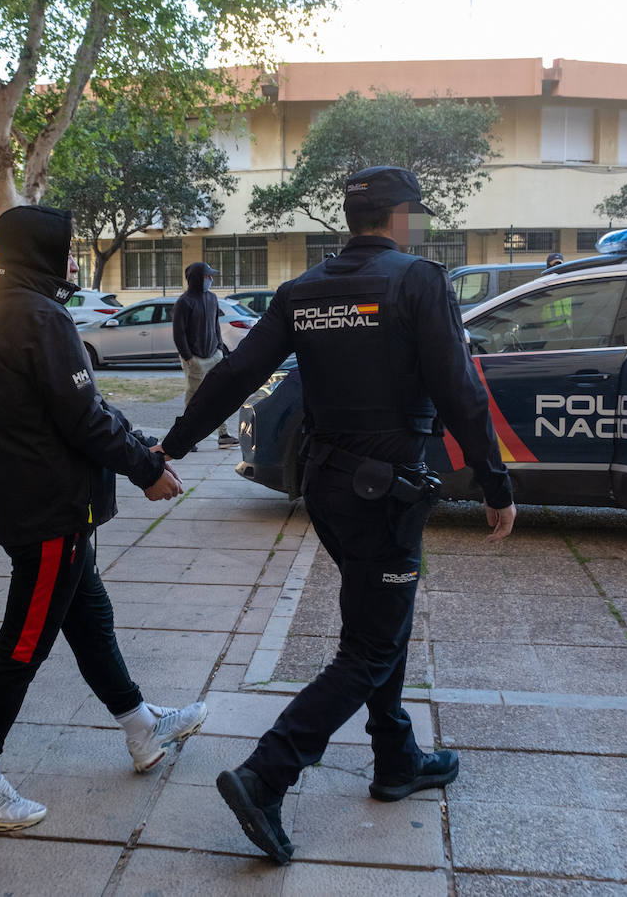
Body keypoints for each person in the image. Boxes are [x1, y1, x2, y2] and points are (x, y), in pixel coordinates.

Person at [156, 166, 517, 864]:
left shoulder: (304, 289)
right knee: (371, 646)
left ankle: (395, 757)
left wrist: (173, 443)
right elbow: (460, 390)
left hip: (324, 486)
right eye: (417, 213)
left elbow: (235, 374)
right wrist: (495, 484)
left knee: (380, 618)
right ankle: (267, 775)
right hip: (385, 492)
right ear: (402, 216)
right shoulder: (418, 281)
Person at [0, 204, 208, 832]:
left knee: (91, 621)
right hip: (50, 514)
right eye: (67, 250)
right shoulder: (39, 316)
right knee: (23, 645)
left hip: (46, 507)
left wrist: (139, 445)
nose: (75, 263)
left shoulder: (11, 310)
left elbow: (81, 406)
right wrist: (144, 469)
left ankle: (141, 728)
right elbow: (83, 419)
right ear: (40, 253)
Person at [173, 261, 239, 449]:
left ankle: (223, 435)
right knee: (194, 400)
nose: (211, 279)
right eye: (207, 276)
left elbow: (215, 325)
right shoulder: (184, 302)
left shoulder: (212, 298)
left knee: (219, 394)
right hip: (195, 359)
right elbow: (179, 333)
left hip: (214, 355)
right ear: (196, 278)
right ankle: (186, 438)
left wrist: (219, 348)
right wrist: (189, 357)